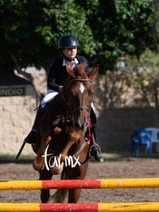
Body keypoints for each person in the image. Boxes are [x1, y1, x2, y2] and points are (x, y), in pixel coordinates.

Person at [24, 34, 104, 162]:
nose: (72, 51)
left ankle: (94, 144)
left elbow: (86, 77)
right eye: (68, 49)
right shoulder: (57, 62)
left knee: (92, 109)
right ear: (63, 51)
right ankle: (33, 132)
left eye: (74, 48)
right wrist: (60, 88)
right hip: (58, 91)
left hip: (77, 92)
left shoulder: (82, 61)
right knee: (44, 103)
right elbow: (50, 82)